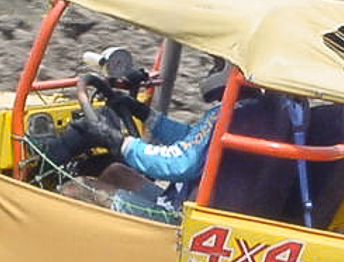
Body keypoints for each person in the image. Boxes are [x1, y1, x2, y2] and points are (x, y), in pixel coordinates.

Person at [36, 58, 237, 221]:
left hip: (182, 223)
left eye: (218, 64)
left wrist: (119, 142)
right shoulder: (242, 112)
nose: (212, 71)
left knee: (76, 189)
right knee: (115, 172)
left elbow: (180, 163)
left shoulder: (230, 114)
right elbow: (193, 140)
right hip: (185, 203)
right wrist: (143, 113)